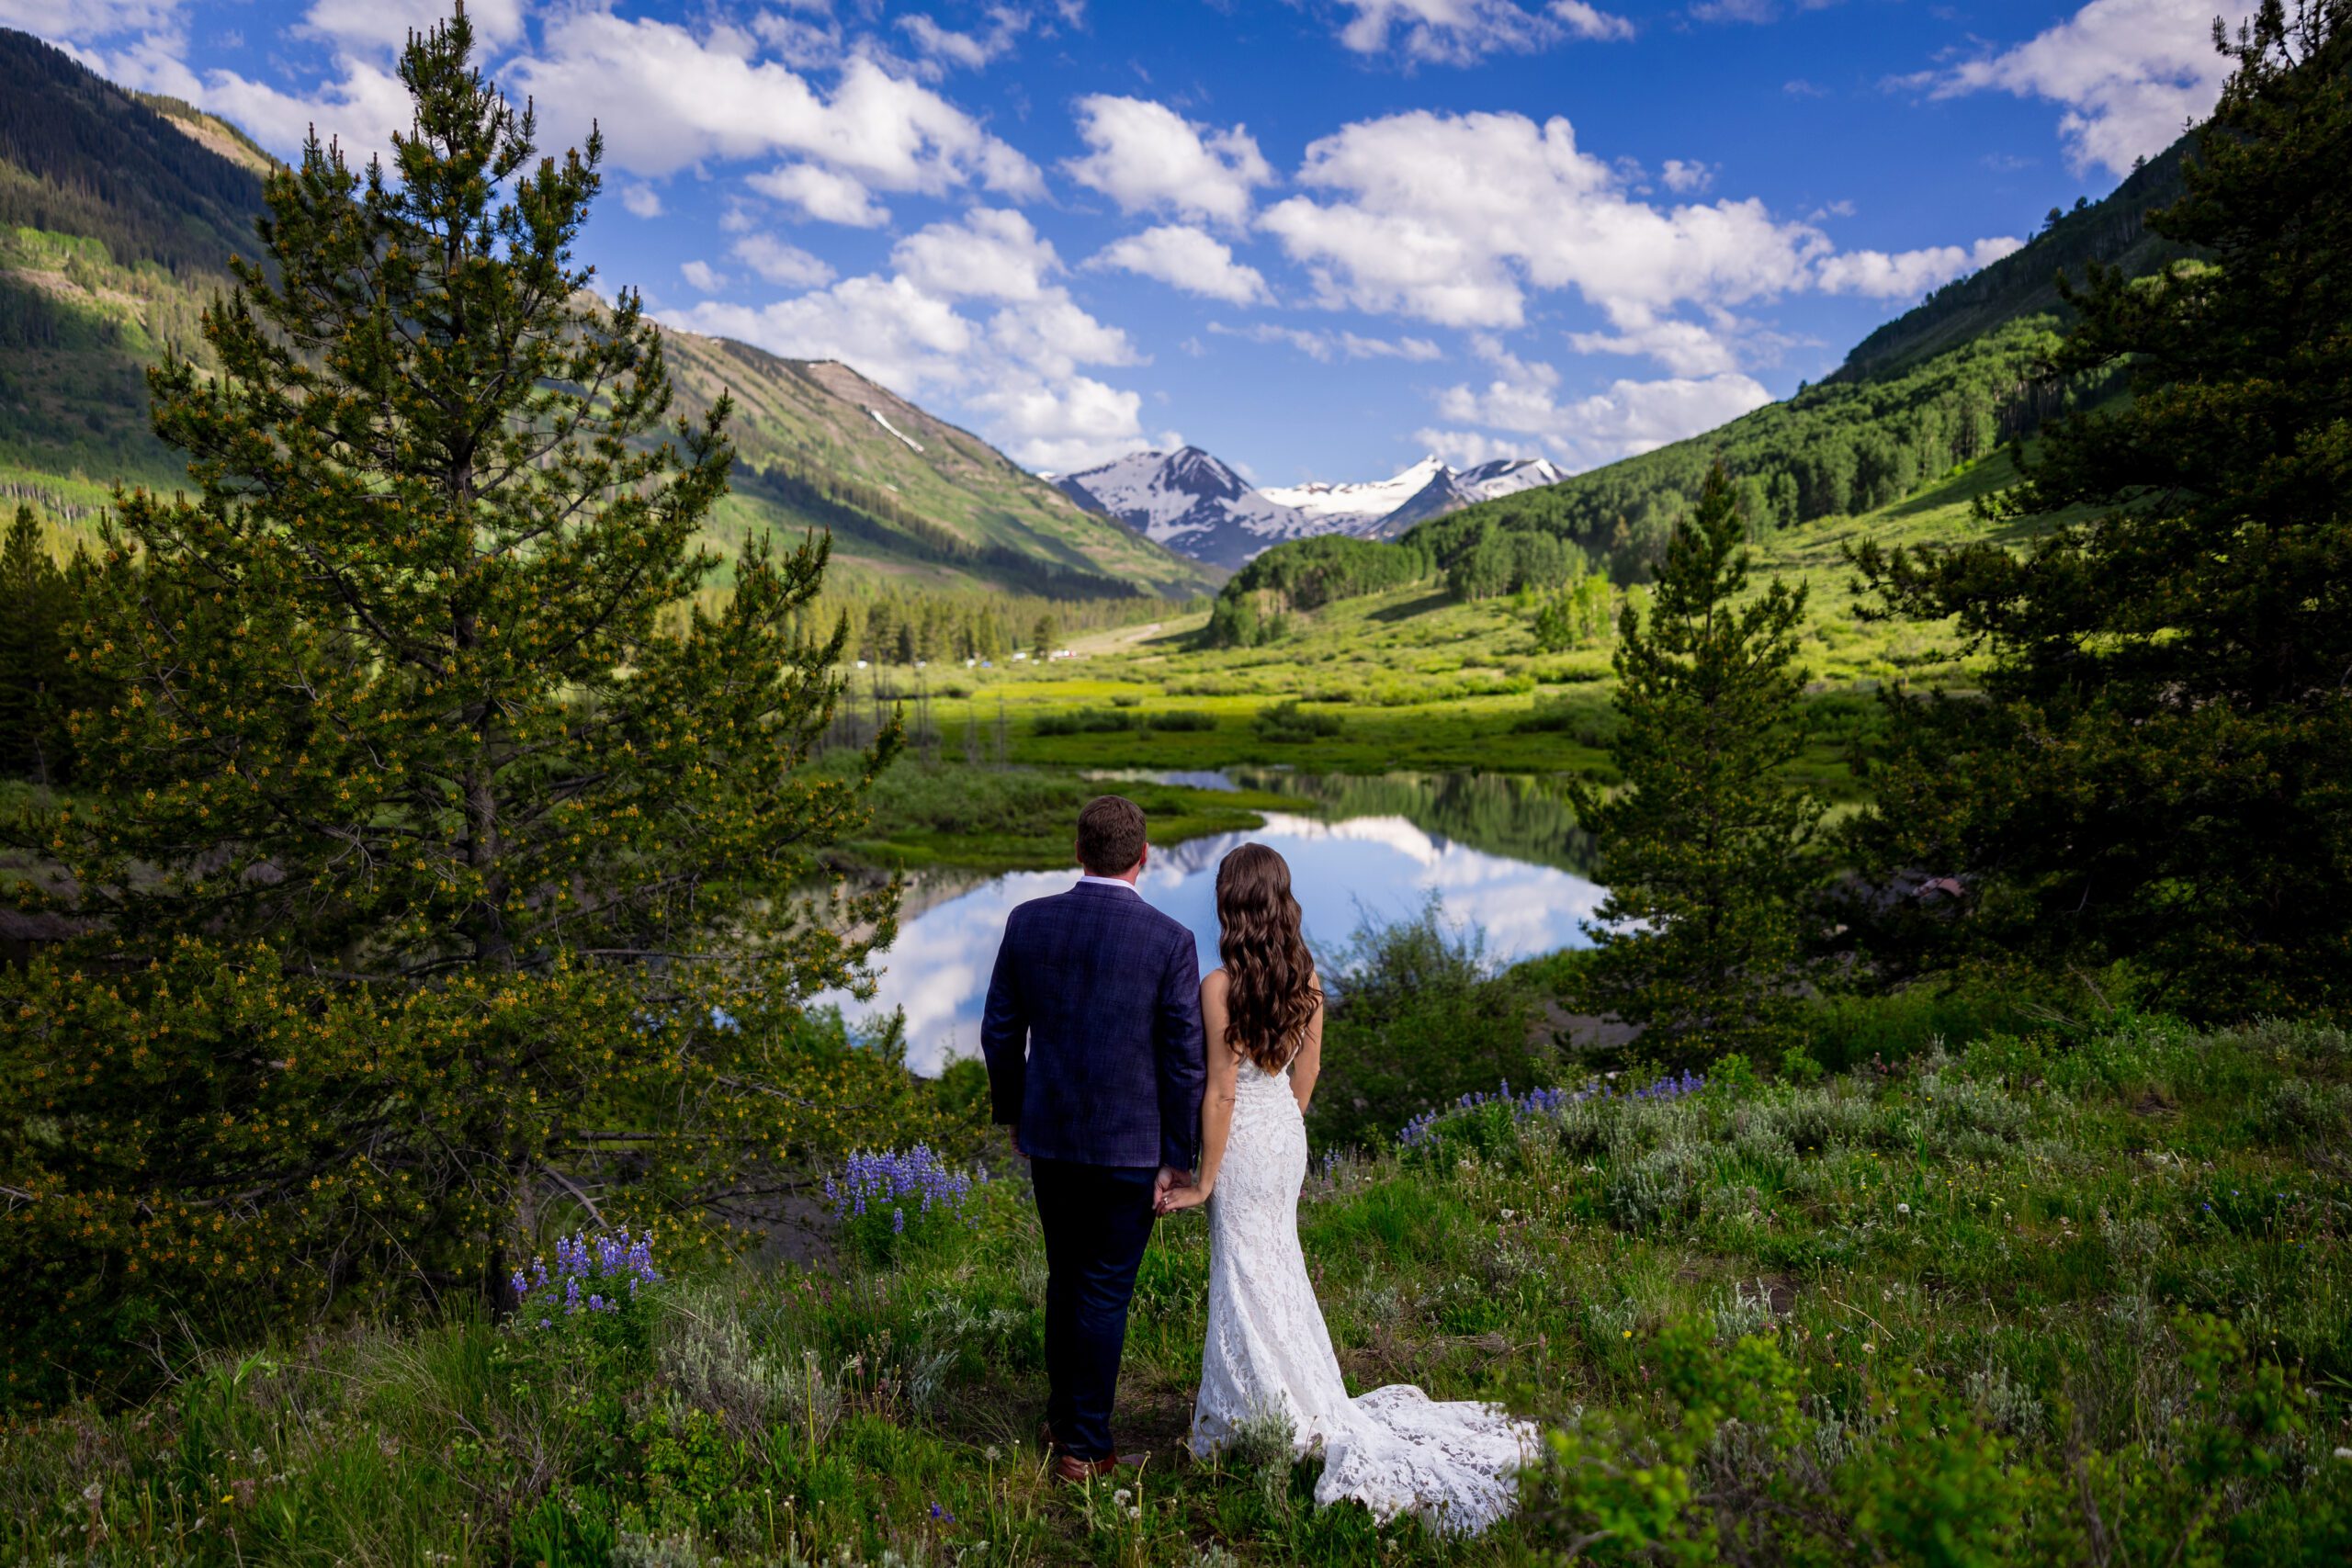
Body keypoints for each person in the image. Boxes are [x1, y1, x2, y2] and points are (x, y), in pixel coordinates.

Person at [1158, 843, 1536, 1535]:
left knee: (1245, 1270)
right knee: (1276, 1264)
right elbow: (1306, 1076)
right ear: (1282, 901)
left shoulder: (1219, 986)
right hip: (1283, 1137)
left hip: (1243, 1142)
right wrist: (1285, 1126)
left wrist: (1203, 1180)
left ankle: (1259, 1410)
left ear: (1230, 904)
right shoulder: (1306, 980)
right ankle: (1277, 1397)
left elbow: (1220, 1092)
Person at [978, 795, 1206, 1483]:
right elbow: (1185, 1060)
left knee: (1066, 1278)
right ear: (1144, 857)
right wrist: (1178, 1156)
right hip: (1131, 1150)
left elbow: (999, 1031)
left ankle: (1063, 1421)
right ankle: (1083, 1450)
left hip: (1051, 1139)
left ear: (1078, 851)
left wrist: (1016, 1114)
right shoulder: (1170, 940)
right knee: (1102, 1291)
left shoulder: (1028, 921)